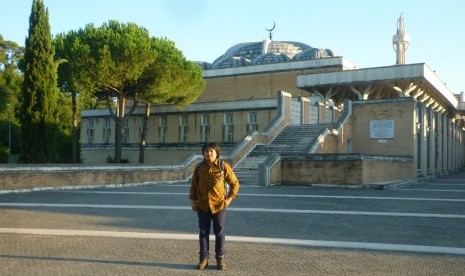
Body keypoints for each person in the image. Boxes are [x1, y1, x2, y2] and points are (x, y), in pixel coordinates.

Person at [189, 142, 240, 270]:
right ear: (203, 153)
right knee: (203, 233)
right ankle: (203, 259)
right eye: (206, 151)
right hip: (203, 206)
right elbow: (194, 186)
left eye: (211, 151)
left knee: (219, 233)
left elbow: (235, 184)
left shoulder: (223, 167)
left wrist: (229, 200)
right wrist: (193, 201)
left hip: (219, 206)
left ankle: (220, 259)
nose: (208, 153)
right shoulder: (199, 167)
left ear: (216, 153)